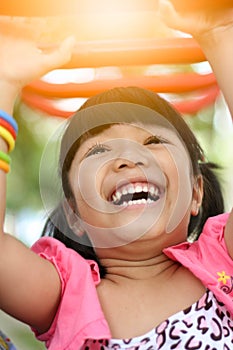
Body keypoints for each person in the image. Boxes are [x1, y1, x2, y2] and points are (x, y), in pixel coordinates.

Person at [0, 1, 232, 349]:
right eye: (98, 151)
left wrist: (220, 36)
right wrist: (4, 78)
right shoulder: (65, 294)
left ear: (196, 193)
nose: (128, 158)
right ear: (75, 215)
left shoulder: (223, 258)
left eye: (152, 141)